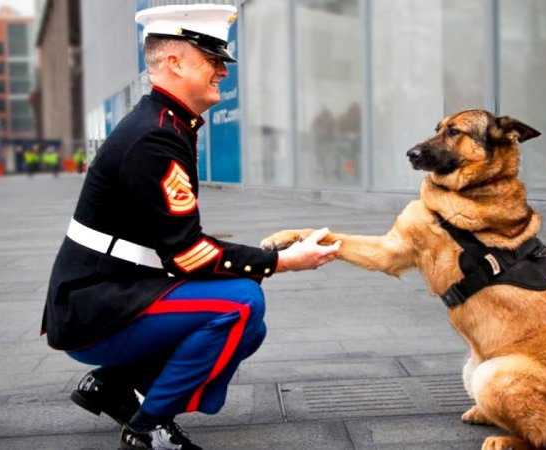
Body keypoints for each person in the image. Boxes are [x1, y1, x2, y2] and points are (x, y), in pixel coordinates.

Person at [41, 4, 340, 450]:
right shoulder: (155, 136)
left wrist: (269, 259)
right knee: (240, 304)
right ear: (175, 63)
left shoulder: (164, 123)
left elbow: (176, 244)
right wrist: (282, 261)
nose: (223, 70)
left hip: (108, 292)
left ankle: (114, 384)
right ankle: (148, 427)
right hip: (94, 309)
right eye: (212, 58)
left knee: (249, 325)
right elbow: (187, 253)